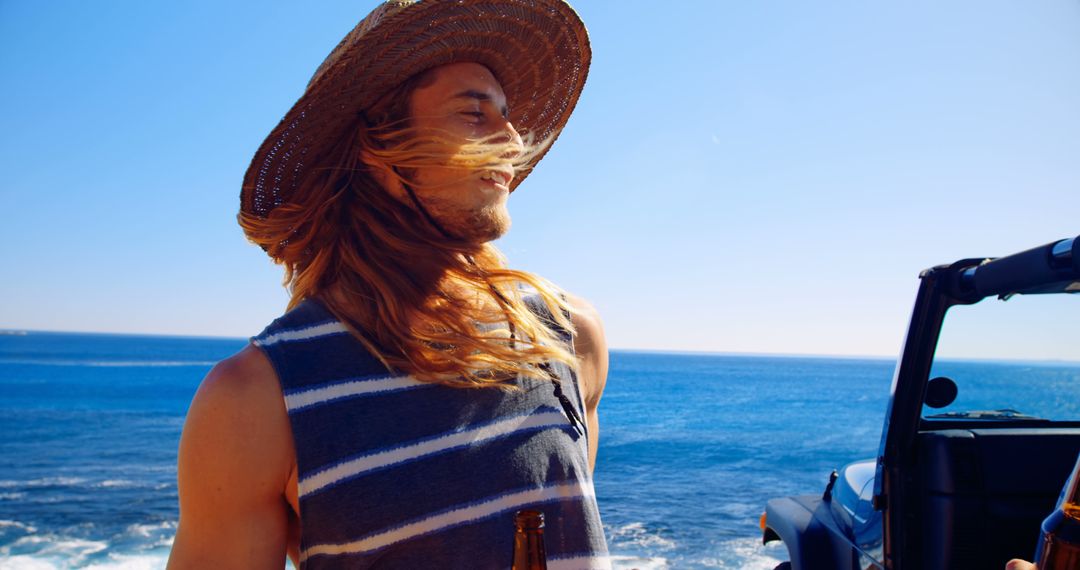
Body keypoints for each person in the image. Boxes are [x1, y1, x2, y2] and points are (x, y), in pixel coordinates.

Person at [166, 1, 608, 568]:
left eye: (509, 115)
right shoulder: (255, 401)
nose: (515, 143)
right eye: (476, 114)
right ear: (377, 150)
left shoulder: (568, 336)